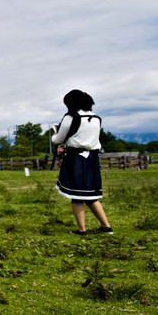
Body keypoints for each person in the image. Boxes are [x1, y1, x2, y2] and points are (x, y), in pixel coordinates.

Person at [51, 89, 113, 235]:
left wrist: (55, 136)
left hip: (76, 158)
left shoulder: (71, 117)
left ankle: (82, 229)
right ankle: (106, 226)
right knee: (91, 195)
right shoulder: (96, 118)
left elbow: (59, 139)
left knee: (77, 195)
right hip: (92, 158)